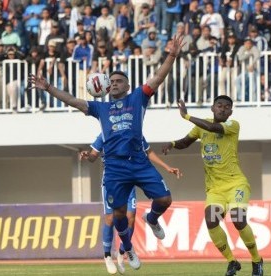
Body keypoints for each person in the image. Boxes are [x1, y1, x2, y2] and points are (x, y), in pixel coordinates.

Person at [27, 35, 185, 270]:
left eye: (119, 81)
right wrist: (48, 88)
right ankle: (128, 248)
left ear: (128, 86)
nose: (115, 83)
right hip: (114, 168)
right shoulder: (100, 108)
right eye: (112, 81)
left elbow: (159, 77)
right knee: (118, 215)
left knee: (165, 199)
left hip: (139, 162)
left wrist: (171, 55)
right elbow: (73, 100)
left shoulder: (138, 98)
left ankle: (151, 219)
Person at [162, 97, 264, 276]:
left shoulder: (233, 125)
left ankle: (257, 260)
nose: (223, 109)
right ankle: (232, 262)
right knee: (211, 221)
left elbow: (212, 128)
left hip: (235, 184)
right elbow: (186, 142)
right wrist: (172, 144)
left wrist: (186, 116)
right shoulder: (201, 127)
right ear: (212, 108)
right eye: (220, 106)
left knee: (238, 219)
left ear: (231, 112)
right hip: (215, 189)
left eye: (227, 107)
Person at [80, 134, 182, 274]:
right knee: (110, 218)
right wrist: (88, 154)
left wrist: (166, 166)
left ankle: (123, 251)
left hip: (131, 177)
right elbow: (93, 155)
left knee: (131, 217)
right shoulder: (105, 132)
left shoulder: (134, 129)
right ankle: (107, 256)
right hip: (114, 180)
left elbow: (148, 151)